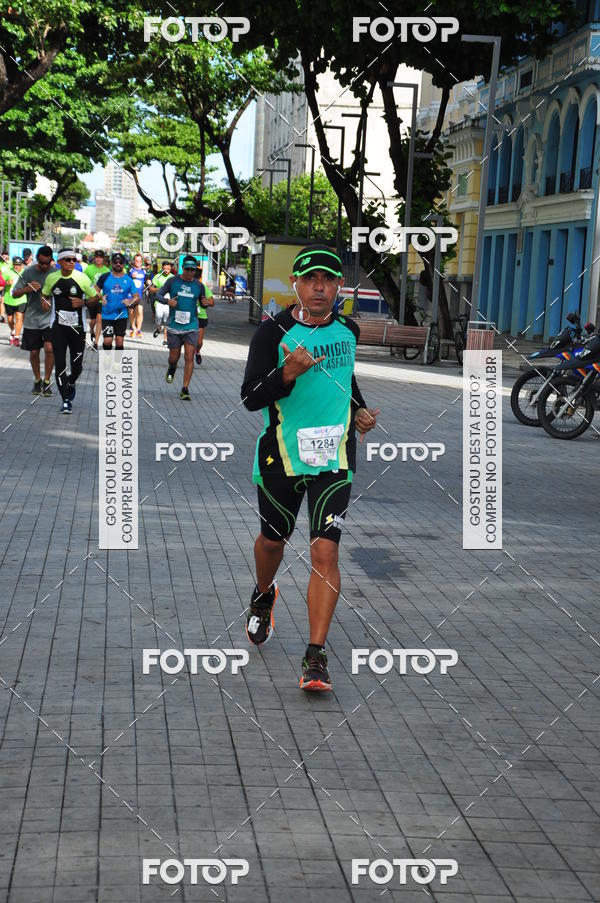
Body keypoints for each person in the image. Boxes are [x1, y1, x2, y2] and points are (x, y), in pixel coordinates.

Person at [241, 245, 380, 692]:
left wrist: (358, 409)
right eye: (310, 279)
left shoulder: (348, 330)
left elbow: (346, 379)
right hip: (280, 456)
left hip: (334, 459)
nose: (319, 287)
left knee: (325, 551)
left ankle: (316, 655)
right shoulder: (271, 334)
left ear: (340, 285)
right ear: (296, 284)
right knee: (272, 541)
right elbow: (250, 399)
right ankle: (264, 595)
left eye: (328, 279)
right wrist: (287, 372)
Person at [41, 249, 100, 414]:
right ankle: (65, 400)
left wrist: (83, 302)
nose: (72, 262)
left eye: (74, 259)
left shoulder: (81, 278)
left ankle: (71, 382)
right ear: (60, 261)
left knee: (77, 366)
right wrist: (44, 303)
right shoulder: (52, 278)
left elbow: (96, 297)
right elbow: (44, 295)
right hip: (58, 328)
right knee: (60, 365)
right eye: (68, 259)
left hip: (77, 329)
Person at [157, 254, 204, 400]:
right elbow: (158, 295)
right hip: (174, 326)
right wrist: (167, 301)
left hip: (191, 326)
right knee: (173, 357)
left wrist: (207, 303)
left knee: (189, 356)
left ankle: (185, 389)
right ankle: (172, 368)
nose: (191, 272)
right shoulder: (172, 281)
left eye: (193, 270)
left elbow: (203, 302)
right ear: (182, 268)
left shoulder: (198, 285)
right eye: (188, 269)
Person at [11, 245, 56, 395]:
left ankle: (47, 381)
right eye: (41, 262)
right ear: (37, 259)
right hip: (32, 319)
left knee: (50, 349)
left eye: (47, 263)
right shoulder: (28, 272)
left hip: (50, 319)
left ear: (51, 260)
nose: (44, 266)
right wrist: (27, 289)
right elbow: (15, 293)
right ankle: (37, 380)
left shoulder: (55, 273)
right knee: (34, 352)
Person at [97, 253, 139, 350]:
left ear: (124, 264)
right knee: (107, 341)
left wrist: (130, 301)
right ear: (112, 263)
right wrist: (100, 297)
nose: (118, 264)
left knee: (119, 341)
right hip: (107, 315)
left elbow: (137, 297)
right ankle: (107, 361)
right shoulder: (105, 277)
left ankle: (117, 364)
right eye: (116, 262)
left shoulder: (128, 280)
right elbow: (95, 291)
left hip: (121, 315)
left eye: (120, 262)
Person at [84, 250, 110, 349]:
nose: (98, 258)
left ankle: (96, 342)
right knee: (93, 320)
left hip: (101, 299)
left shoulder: (107, 271)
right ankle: (91, 330)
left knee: (99, 319)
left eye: (101, 257)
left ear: (103, 259)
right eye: (97, 257)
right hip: (91, 298)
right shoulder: (88, 269)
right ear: (94, 258)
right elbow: (84, 283)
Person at [150, 260, 175, 345]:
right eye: (164, 269)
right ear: (162, 268)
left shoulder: (173, 278)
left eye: (168, 269)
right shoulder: (157, 276)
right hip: (159, 300)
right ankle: (158, 328)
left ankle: (165, 339)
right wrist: (161, 289)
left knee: (167, 320)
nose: (166, 271)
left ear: (170, 268)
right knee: (159, 316)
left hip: (169, 301)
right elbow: (151, 289)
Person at [194, 268, 214, 365]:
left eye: (197, 278)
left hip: (201, 316)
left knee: (199, 343)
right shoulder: (186, 286)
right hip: (188, 316)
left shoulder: (203, 287)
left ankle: (197, 351)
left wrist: (207, 302)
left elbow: (212, 301)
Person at [4, 256, 26, 346]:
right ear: (13, 265)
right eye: (15, 265)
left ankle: (16, 337)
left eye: (19, 265)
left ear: (22, 265)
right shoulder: (8, 272)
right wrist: (6, 283)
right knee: (9, 319)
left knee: (19, 317)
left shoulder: (25, 273)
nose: (17, 266)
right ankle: (13, 331)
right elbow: (1, 282)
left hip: (21, 299)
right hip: (9, 299)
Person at [128, 253, 148, 339]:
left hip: (140, 294)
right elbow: (125, 280)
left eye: (140, 261)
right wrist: (131, 277)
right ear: (134, 261)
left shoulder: (144, 271)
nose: (138, 262)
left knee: (140, 311)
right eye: (136, 260)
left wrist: (148, 282)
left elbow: (147, 280)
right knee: (132, 312)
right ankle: (133, 328)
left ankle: (138, 330)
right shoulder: (130, 270)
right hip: (131, 295)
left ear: (142, 261)